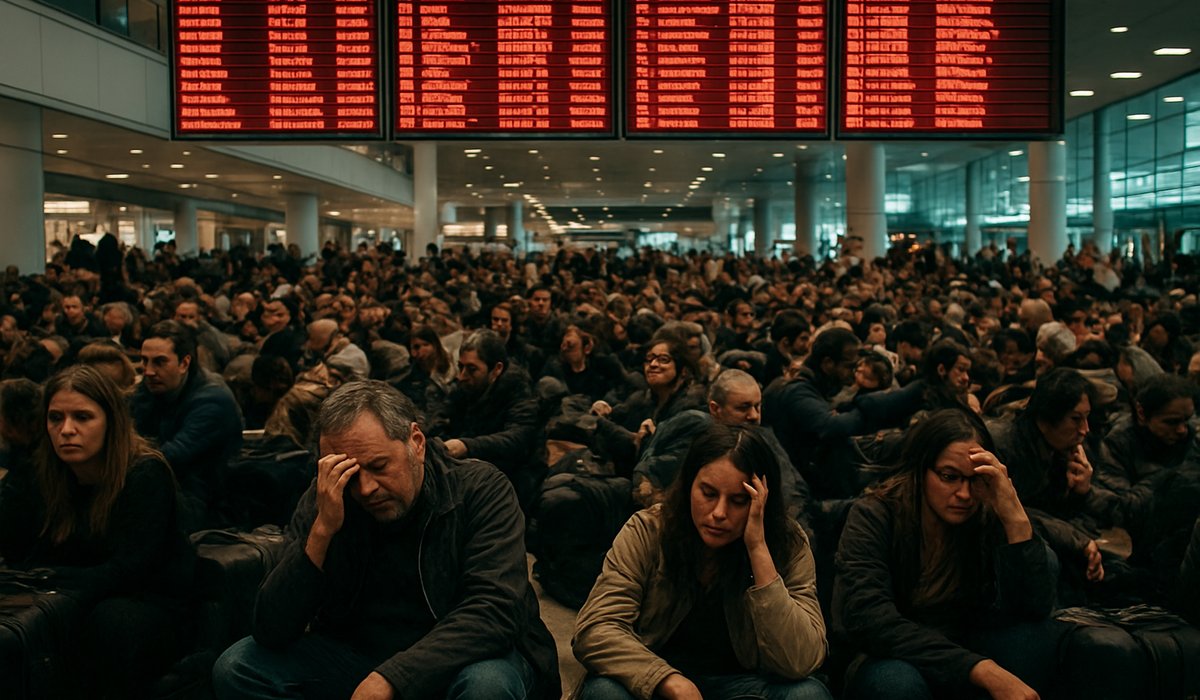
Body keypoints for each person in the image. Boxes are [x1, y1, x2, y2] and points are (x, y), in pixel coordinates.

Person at [211, 380, 560, 700]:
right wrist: (321, 531)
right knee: (238, 666)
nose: (366, 489)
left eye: (379, 466)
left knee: (486, 686)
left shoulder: (479, 489)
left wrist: (393, 677)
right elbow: (271, 629)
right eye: (349, 472)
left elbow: (494, 610)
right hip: (360, 655)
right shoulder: (329, 499)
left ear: (416, 443)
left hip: (459, 656)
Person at [573, 424, 830, 700]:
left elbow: (801, 661)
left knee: (807, 695)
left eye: (739, 500)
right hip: (656, 681)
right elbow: (596, 628)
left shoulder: (788, 544)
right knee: (604, 692)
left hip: (745, 686)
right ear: (688, 486)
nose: (719, 513)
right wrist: (666, 680)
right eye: (708, 494)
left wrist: (758, 549)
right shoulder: (649, 530)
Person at [833, 409, 1061, 699]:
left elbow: (1034, 609)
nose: (964, 493)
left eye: (974, 479)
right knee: (896, 683)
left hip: (965, 642)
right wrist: (978, 668)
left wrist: (1015, 521)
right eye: (949, 477)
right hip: (891, 653)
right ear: (921, 470)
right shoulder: (875, 515)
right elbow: (871, 619)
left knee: (1034, 637)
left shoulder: (985, 512)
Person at [0, 365, 195, 697]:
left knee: (108, 623)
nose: (66, 430)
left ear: (110, 421)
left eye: (83, 417)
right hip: (70, 593)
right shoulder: (44, 471)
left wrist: (51, 582)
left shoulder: (144, 473)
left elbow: (130, 569)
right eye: (55, 418)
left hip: (147, 602)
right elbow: (14, 542)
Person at [130, 320, 244, 532]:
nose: (148, 371)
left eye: (159, 362)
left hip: (206, 502)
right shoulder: (150, 390)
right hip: (165, 488)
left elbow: (171, 456)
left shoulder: (213, 400)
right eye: (144, 361)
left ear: (184, 363)